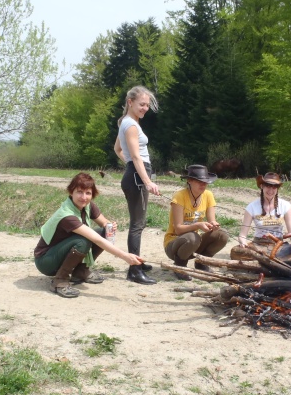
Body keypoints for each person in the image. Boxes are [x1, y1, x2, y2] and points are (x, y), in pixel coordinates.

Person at [34, 172, 146, 298]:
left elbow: (104, 223)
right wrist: (125, 256)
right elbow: (96, 239)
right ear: (71, 192)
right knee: (83, 241)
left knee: (104, 232)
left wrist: (110, 226)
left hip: (60, 253)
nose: (84, 197)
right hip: (46, 261)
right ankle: (60, 281)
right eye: (79, 192)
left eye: (88, 193)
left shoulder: (87, 205)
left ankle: (80, 272)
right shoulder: (66, 215)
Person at [114, 86, 160, 285]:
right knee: (137, 225)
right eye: (142, 104)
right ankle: (134, 270)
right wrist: (147, 181)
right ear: (130, 102)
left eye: (147, 105)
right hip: (137, 177)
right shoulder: (131, 125)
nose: (145, 108)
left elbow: (117, 149)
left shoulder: (126, 122)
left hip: (134, 174)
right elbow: (135, 156)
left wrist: (131, 167)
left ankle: (137, 262)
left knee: (138, 223)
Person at [164, 165, 229, 281]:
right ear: (189, 181)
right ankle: (179, 265)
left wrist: (214, 225)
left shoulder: (208, 195)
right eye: (199, 182)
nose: (203, 185)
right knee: (192, 237)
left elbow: (212, 220)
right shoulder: (179, 196)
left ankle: (202, 263)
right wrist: (198, 225)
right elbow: (178, 229)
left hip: (195, 242)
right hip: (174, 243)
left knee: (222, 234)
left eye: (205, 182)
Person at [233, 172, 291, 262]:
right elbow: (242, 235)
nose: (271, 190)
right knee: (235, 251)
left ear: (277, 188)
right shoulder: (251, 207)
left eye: (274, 187)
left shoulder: (286, 205)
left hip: (280, 246)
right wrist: (243, 242)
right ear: (262, 186)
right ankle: (281, 262)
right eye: (268, 186)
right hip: (258, 246)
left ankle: (272, 262)